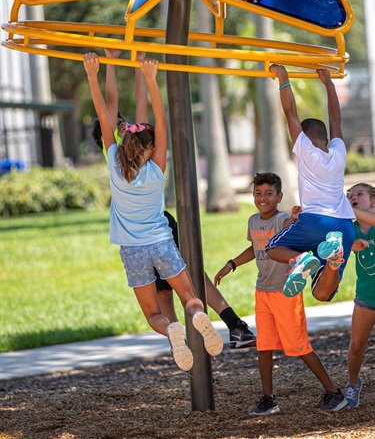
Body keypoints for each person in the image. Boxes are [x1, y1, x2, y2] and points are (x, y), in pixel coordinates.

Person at [91, 49, 256, 348]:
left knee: (159, 305)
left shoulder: (117, 159)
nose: (124, 126)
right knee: (184, 290)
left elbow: (120, 107)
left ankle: (177, 332)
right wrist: (138, 72)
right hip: (158, 234)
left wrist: (131, 70)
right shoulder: (145, 160)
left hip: (134, 244)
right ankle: (196, 328)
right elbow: (120, 107)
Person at [214, 172, 348, 415]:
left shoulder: (282, 219)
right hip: (262, 292)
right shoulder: (253, 221)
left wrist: (295, 219)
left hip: (286, 293)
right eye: (258, 193)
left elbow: (290, 226)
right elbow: (255, 248)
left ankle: (333, 393)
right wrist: (232, 264)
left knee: (299, 347)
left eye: (268, 194)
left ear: (279, 196)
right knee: (264, 347)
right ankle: (268, 399)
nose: (262, 198)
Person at [265, 65, 355, 302]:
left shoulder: (305, 150)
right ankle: (332, 261)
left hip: (315, 220)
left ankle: (301, 259)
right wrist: (329, 84)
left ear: (302, 138)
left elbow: (290, 112)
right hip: (345, 225)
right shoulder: (338, 152)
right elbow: (336, 118)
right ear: (327, 139)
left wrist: (283, 77)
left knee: (272, 248)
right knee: (322, 293)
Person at [344, 183, 375, 408]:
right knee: (356, 345)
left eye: (359, 194)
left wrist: (344, 206)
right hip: (366, 297)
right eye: (349, 196)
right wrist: (351, 247)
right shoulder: (350, 228)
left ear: (373, 201)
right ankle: (353, 384)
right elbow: (339, 249)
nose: (352, 197)